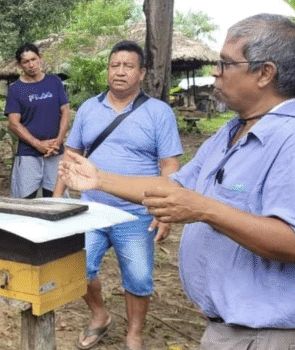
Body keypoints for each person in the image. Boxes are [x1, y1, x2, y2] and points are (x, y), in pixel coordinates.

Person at [58, 13, 295, 349]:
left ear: (264, 73)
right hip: (227, 328)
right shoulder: (228, 133)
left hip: (267, 333)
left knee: (138, 277)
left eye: (225, 63)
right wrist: (98, 179)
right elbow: (174, 187)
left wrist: (204, 209)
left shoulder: (289, 139)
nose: (215, 71)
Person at [54, 41, 182, 350]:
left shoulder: (159, 112)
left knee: (138, 278)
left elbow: (170, 166)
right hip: (91, 210)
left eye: (128, 66)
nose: (120, 71)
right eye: (114, 65)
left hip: (136, 212)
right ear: (108, 70)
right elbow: (70, 157)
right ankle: (100, 315)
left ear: (142, 73)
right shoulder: (88, 108)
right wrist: (57, 200)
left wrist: (164, 211)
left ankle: (134, 334)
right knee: (77, 269)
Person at [6, 43, 70, 199]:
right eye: (26, 62)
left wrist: (58, 142)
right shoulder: (16, 89)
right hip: (28, 153)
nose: (31, 65)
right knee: (24, 200)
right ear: (19, 65)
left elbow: (66, 112)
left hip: (54, 152)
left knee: (56, 199)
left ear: (40, 58)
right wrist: (37, 144)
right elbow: (14, 123)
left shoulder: (54, 82)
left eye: (33, 59)